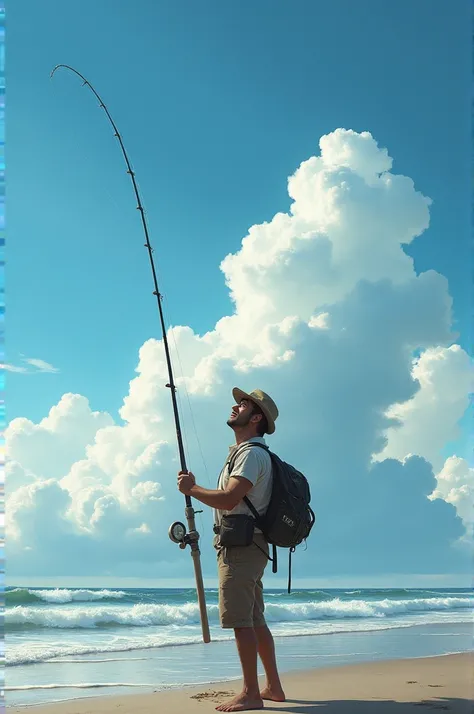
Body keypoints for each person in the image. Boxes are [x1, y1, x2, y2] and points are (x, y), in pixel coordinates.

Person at [177, 387, 285, 712]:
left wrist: (190, 488)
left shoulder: (252, 454)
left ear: (256, 418)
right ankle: (273, 687)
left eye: (243, 405)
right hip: (247, 543)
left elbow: (228, 499)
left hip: (241, 545)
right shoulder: (244, 452)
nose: (235, 406)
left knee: (241, 620)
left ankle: (251, 693)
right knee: (254, 617)